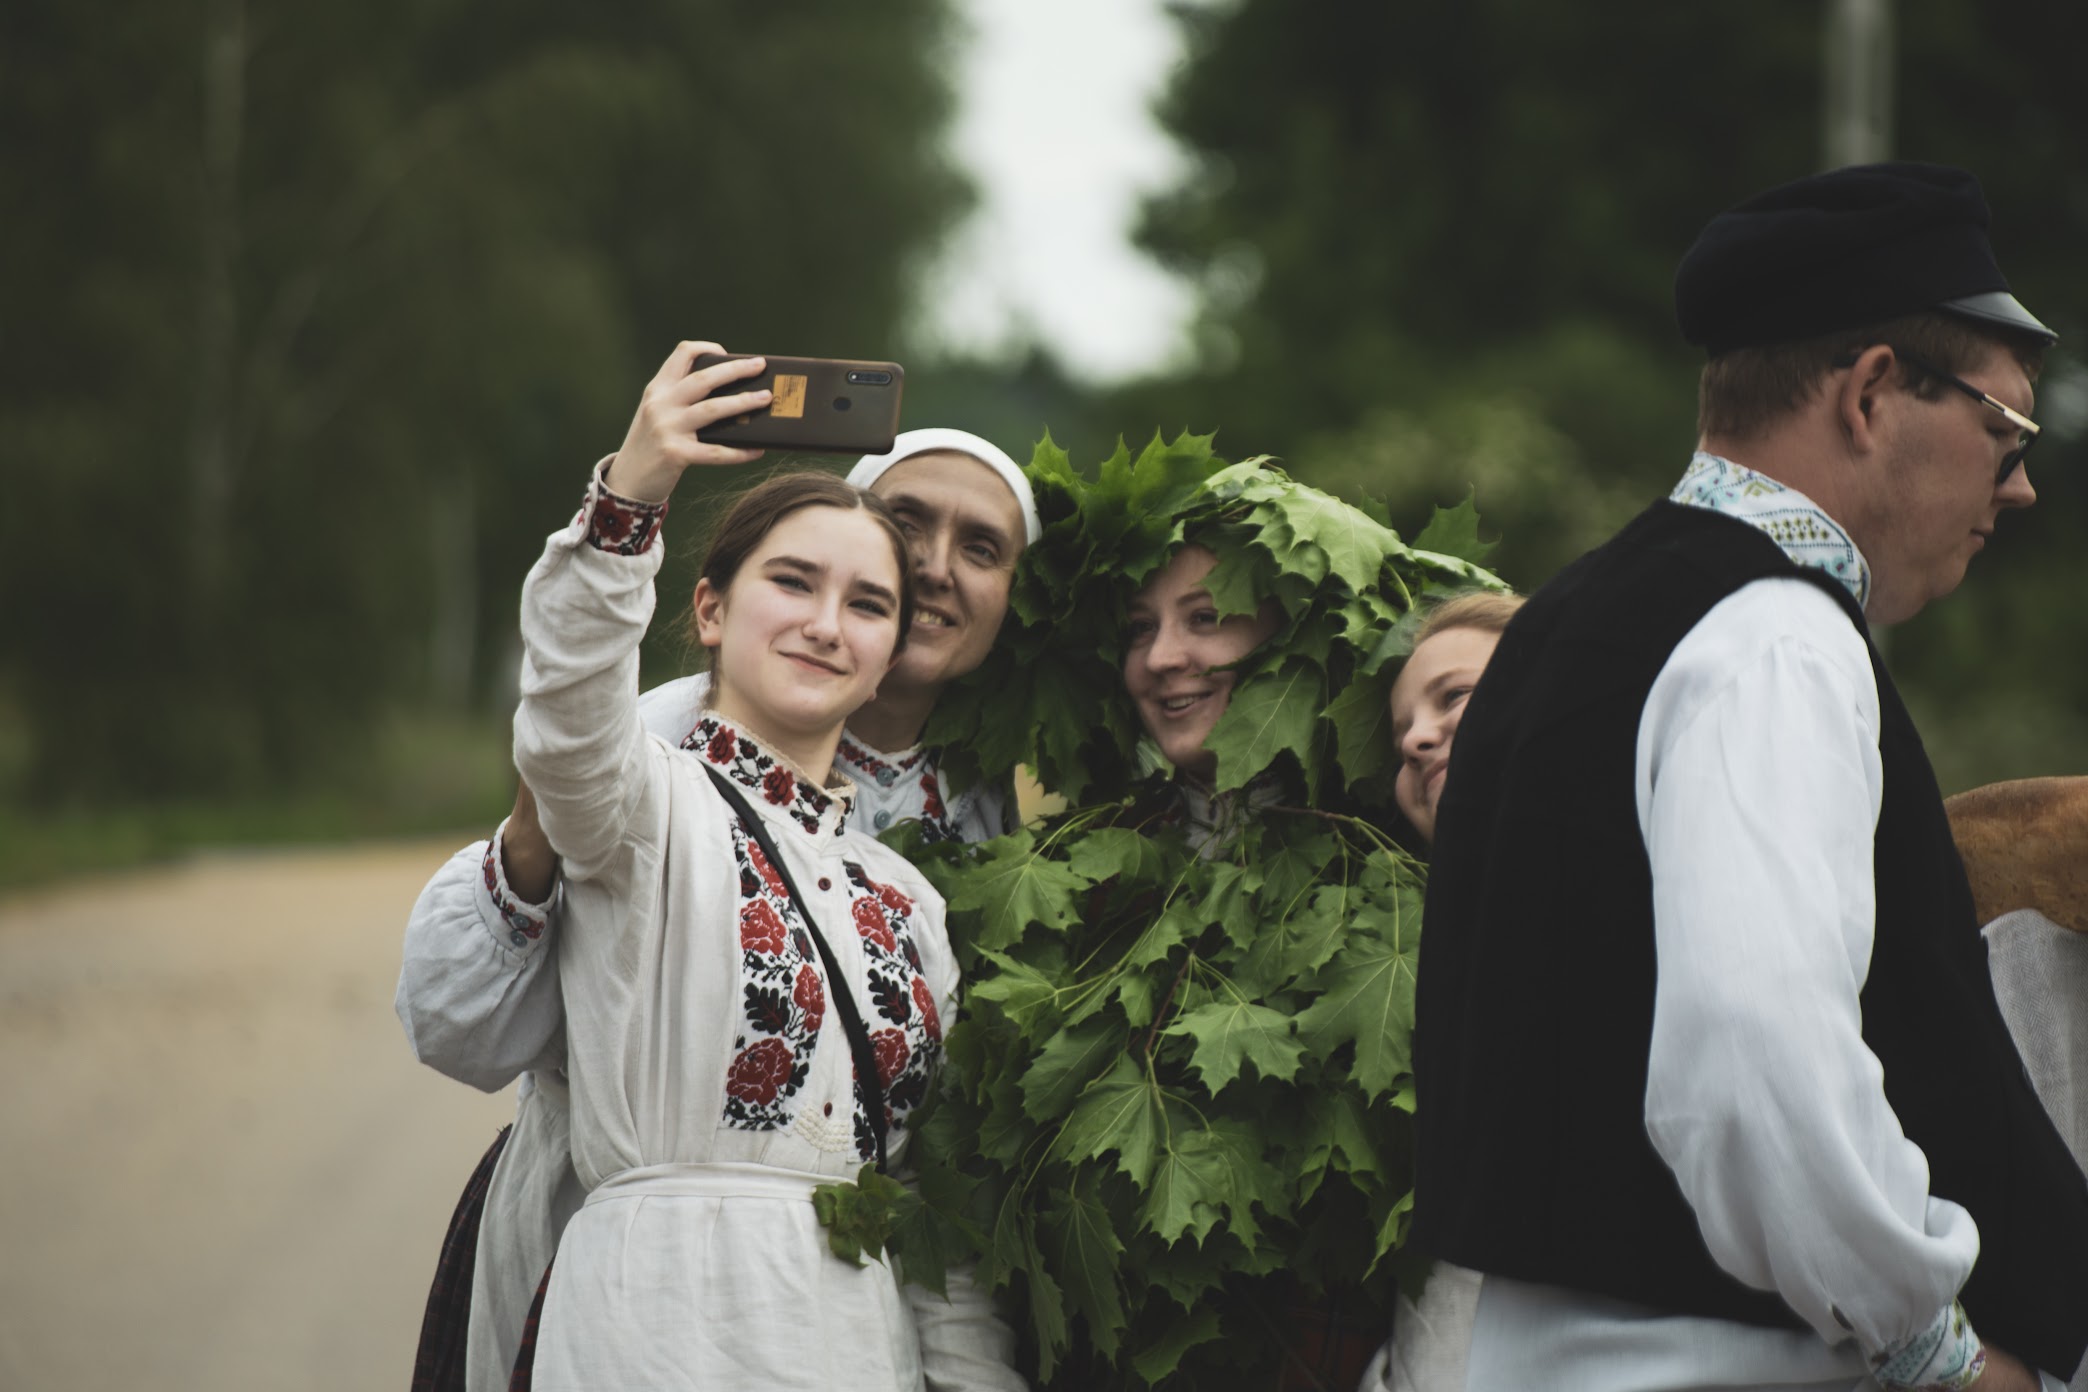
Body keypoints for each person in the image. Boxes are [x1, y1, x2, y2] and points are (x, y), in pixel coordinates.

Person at [1411, 162, 2088, 1392]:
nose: (2022, 484)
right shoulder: (1774, 637)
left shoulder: (1572, 617)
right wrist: (1935, 1349)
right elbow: (1751, 1062)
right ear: (1872, 393)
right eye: (2005, 431)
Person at [398, 418, 1039, 1392]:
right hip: (652, 1315)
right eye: (794, 582)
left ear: (890, 645)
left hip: (850, 1342)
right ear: (710, 607)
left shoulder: (918, 888)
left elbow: (920, 1199)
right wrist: (634, 489)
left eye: (868, 603)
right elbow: (568, 715)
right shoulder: (650, 781)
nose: (827, 624)